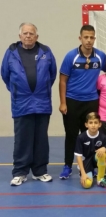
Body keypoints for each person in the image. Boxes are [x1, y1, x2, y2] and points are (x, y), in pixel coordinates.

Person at [1, 22, 57, 186]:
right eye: (25, 33)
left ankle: (40, 171)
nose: (28, 36)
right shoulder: (11, 52)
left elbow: (52, 74)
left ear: (36, 36)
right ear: (20, 36)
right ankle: (20, 172)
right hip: (21, 103)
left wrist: (41, 87)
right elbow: (5, 74)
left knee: (41, 138)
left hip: (42, 102)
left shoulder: (46, 51)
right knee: (22, 139)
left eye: (31, 33)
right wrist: (18, 89)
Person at [59, 25, 106, 180]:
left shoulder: (100, 56)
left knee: (90, 135)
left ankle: (90, 166)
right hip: (72, 102)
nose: (89, 40)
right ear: (80, 38)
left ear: (94, 38)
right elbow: (62, 81)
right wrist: (63, 102)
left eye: (91, 37)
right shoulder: (70, 56)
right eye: (86, 37)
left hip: (91, 102)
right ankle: (67, 166)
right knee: (72, 135)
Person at [74, 112, 106, 189]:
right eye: (90, 123)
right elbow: (79, 157)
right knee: (87, 185)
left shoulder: (103, 137)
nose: (93, 125)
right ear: (86, 124)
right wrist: (83, 174)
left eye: (95, 122)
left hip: (96, 159)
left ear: (99, 124)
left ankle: (100, 179)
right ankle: (86, 172)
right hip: (86, 161)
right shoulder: (81, 137)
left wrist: (105, 149)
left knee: (102, 154)